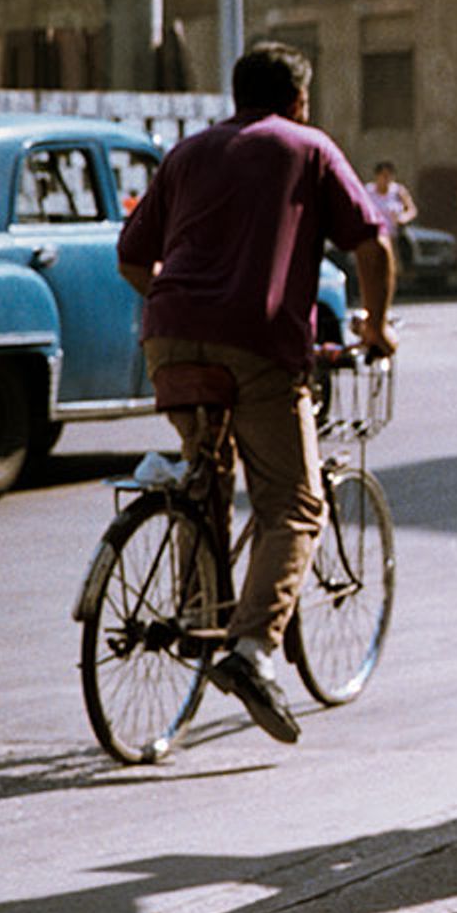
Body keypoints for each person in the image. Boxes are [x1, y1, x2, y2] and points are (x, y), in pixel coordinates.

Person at [115, 43, 399, 749]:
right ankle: (252, 650)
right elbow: (372, 246)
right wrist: (377, 325)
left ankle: (191, 610)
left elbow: (131, 255)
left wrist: (185, 304)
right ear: (299, 99)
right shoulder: (307, 147)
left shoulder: (186, 153)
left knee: (204, 476)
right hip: (259, 346)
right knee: (297, 504)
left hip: (170, 338)